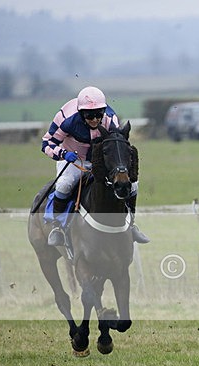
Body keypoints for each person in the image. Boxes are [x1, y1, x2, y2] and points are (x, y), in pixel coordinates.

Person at [41, 86, 149, 246]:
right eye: (89, 115)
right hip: (72, 159)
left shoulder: (111, 119)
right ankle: (57, 227)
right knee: (64, 185)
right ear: (80, 113)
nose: (94, 119)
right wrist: (63, 154)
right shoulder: (65, 119)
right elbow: (46, 143)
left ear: (104, 111)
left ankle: (131, 225)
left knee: (132, 185)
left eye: (98, 114)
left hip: (98, 159)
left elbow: (115, 145)